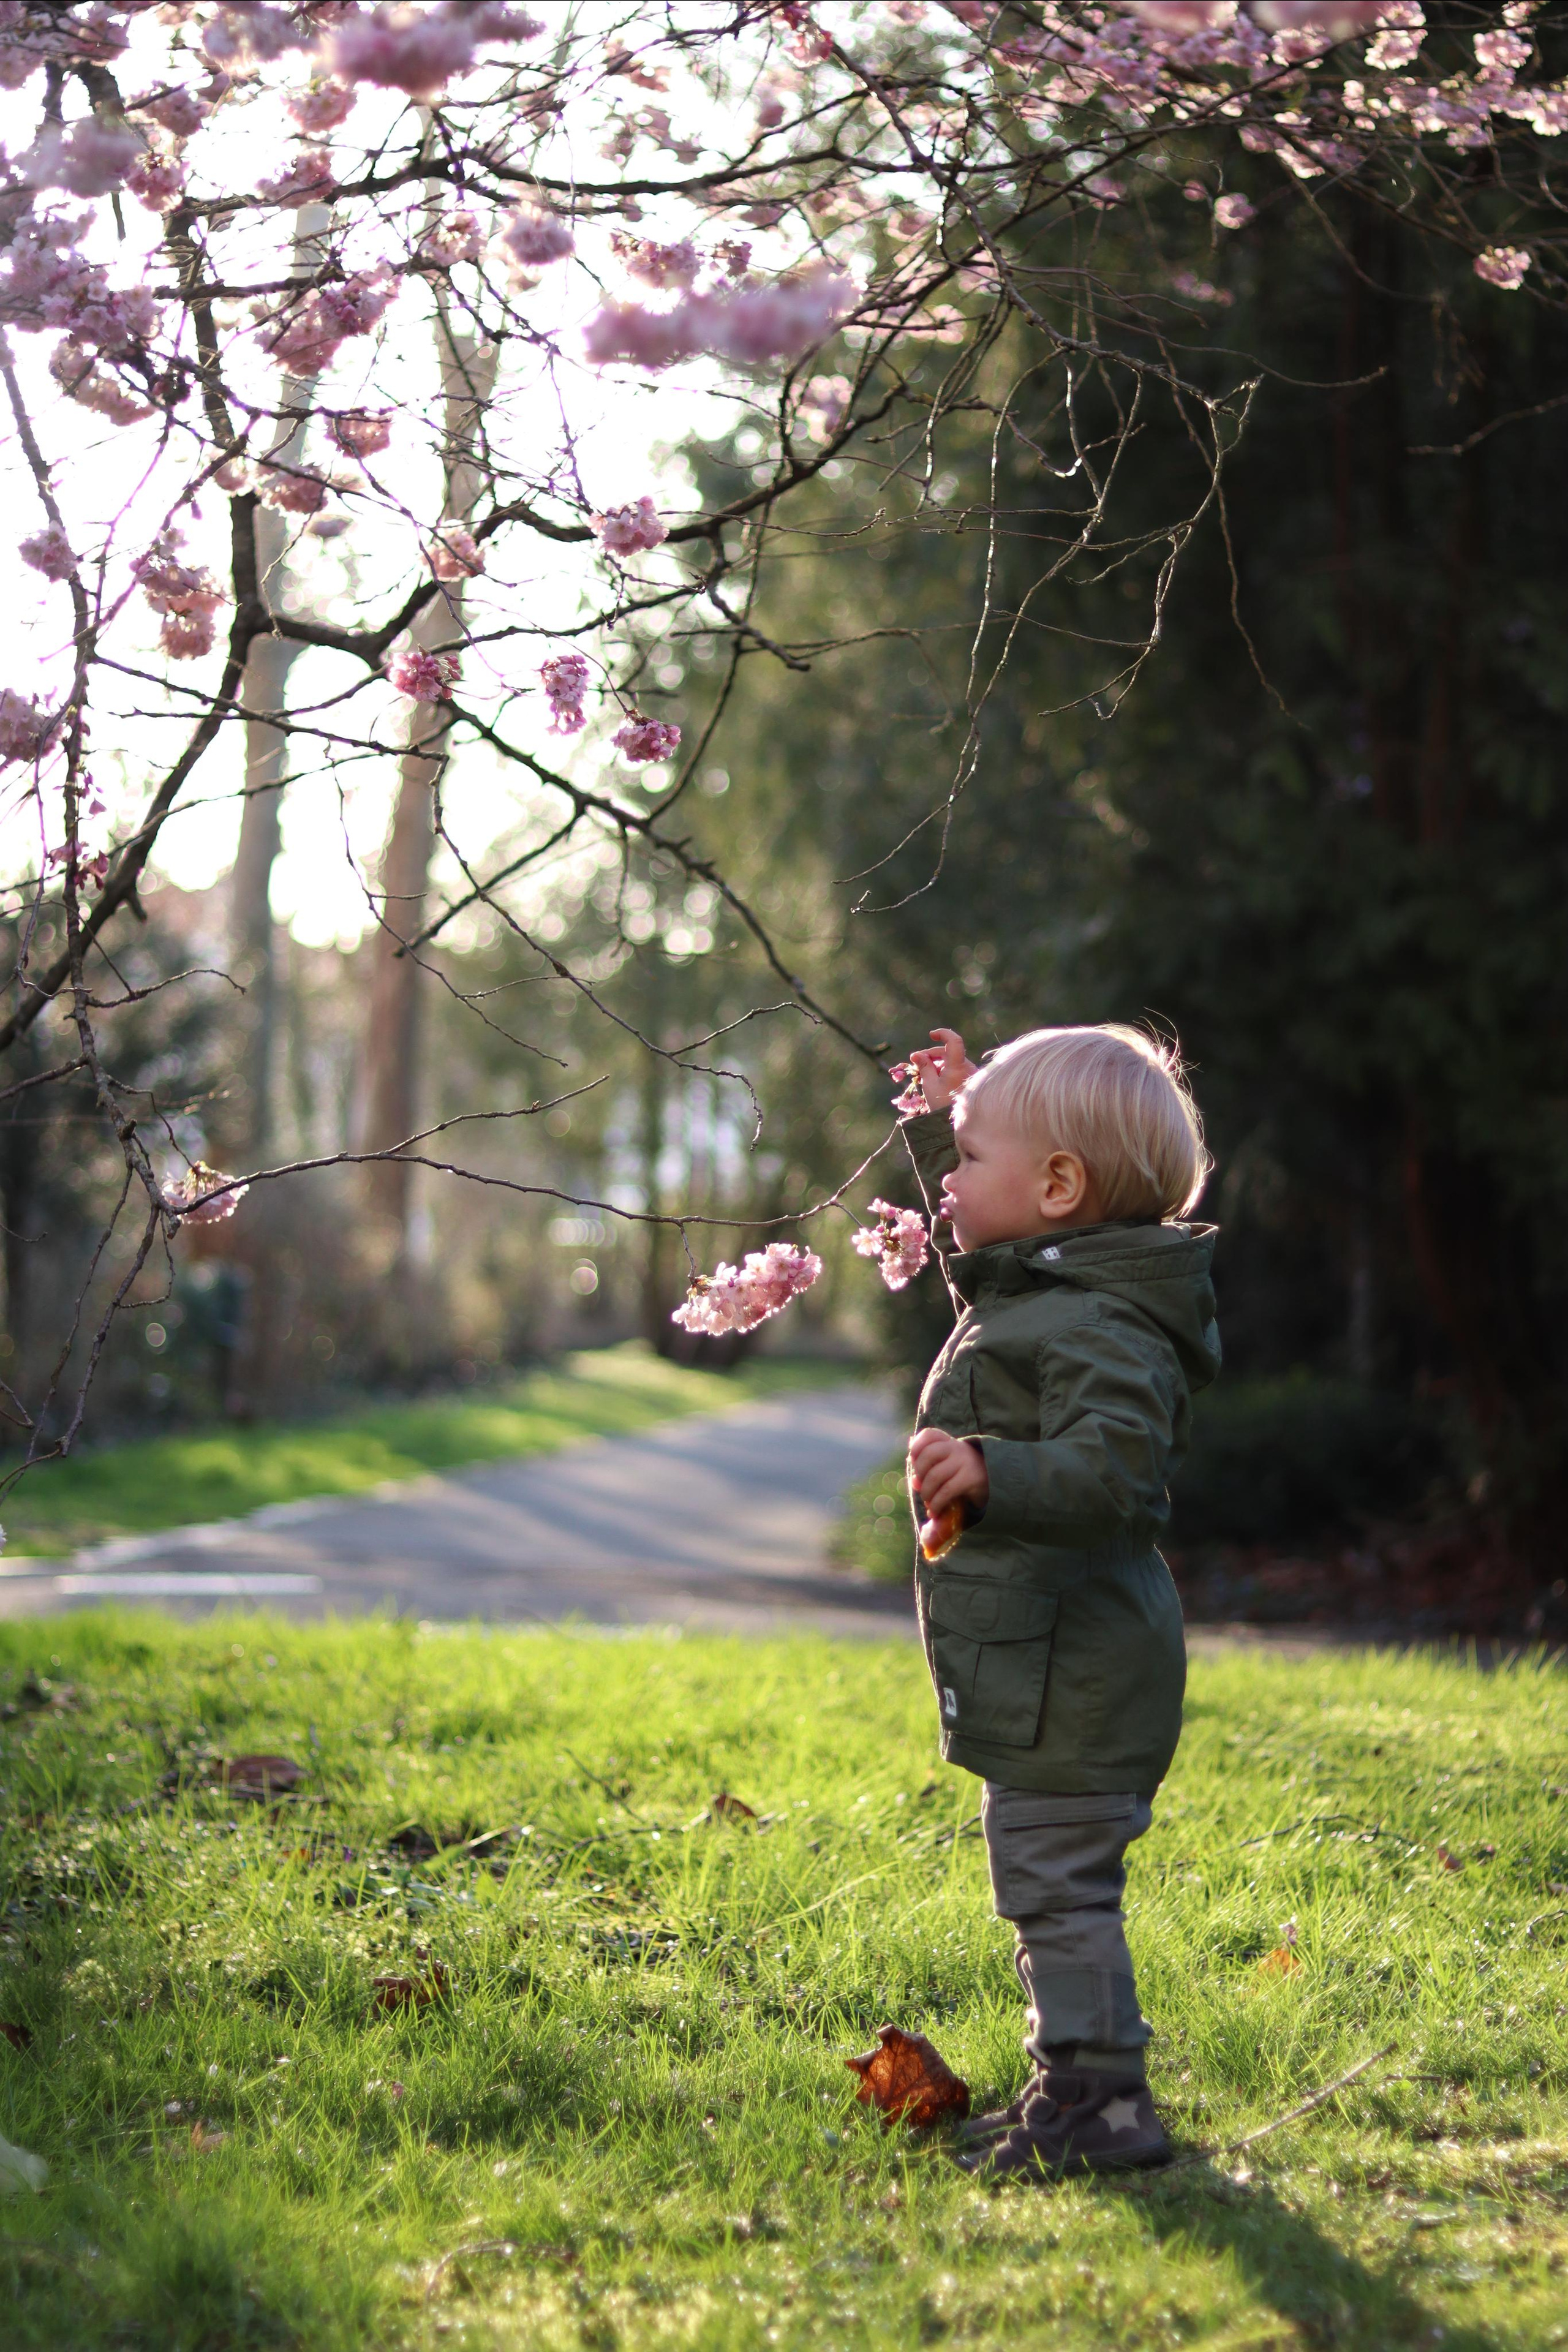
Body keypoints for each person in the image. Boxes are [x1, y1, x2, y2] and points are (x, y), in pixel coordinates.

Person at [899, 1022, 1219, 2179]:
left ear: (1059, 1186)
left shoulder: (1108, 1327)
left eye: (970, 1156)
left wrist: (997, 1468)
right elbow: (1005, 1307)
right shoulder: (1061, 1297)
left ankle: (1101, 2107)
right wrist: (968, 1110)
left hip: (1077, 1675)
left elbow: (1121, 1471)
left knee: (1059, 1889)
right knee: (1048, 1883)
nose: (947, 1178)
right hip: (1052, 1667)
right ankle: (1075, 2088)